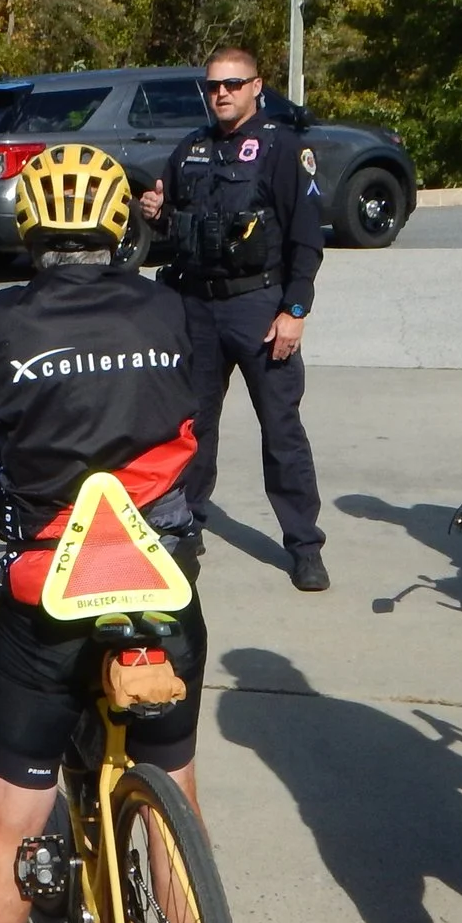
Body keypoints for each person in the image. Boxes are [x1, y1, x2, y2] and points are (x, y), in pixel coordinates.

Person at [0, 144, 205, 923]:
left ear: (31, 230)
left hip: (51, 591)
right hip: (157, 580)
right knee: (178, 794)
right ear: (118, 227)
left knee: (12, 813)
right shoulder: (170, 306)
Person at [136, 47, 328, 591]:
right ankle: (186, 523)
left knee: (282, 428)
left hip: (259, 306)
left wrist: (294, 310)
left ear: (256, 87)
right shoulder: (191, 149)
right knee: (193, 425)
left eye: (233, 84)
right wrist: (158, 215)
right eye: (214, 85)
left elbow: (305, 240)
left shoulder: (282, 148)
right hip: (196, 308)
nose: (222, 93)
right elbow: (175, 224)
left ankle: (305, 545)